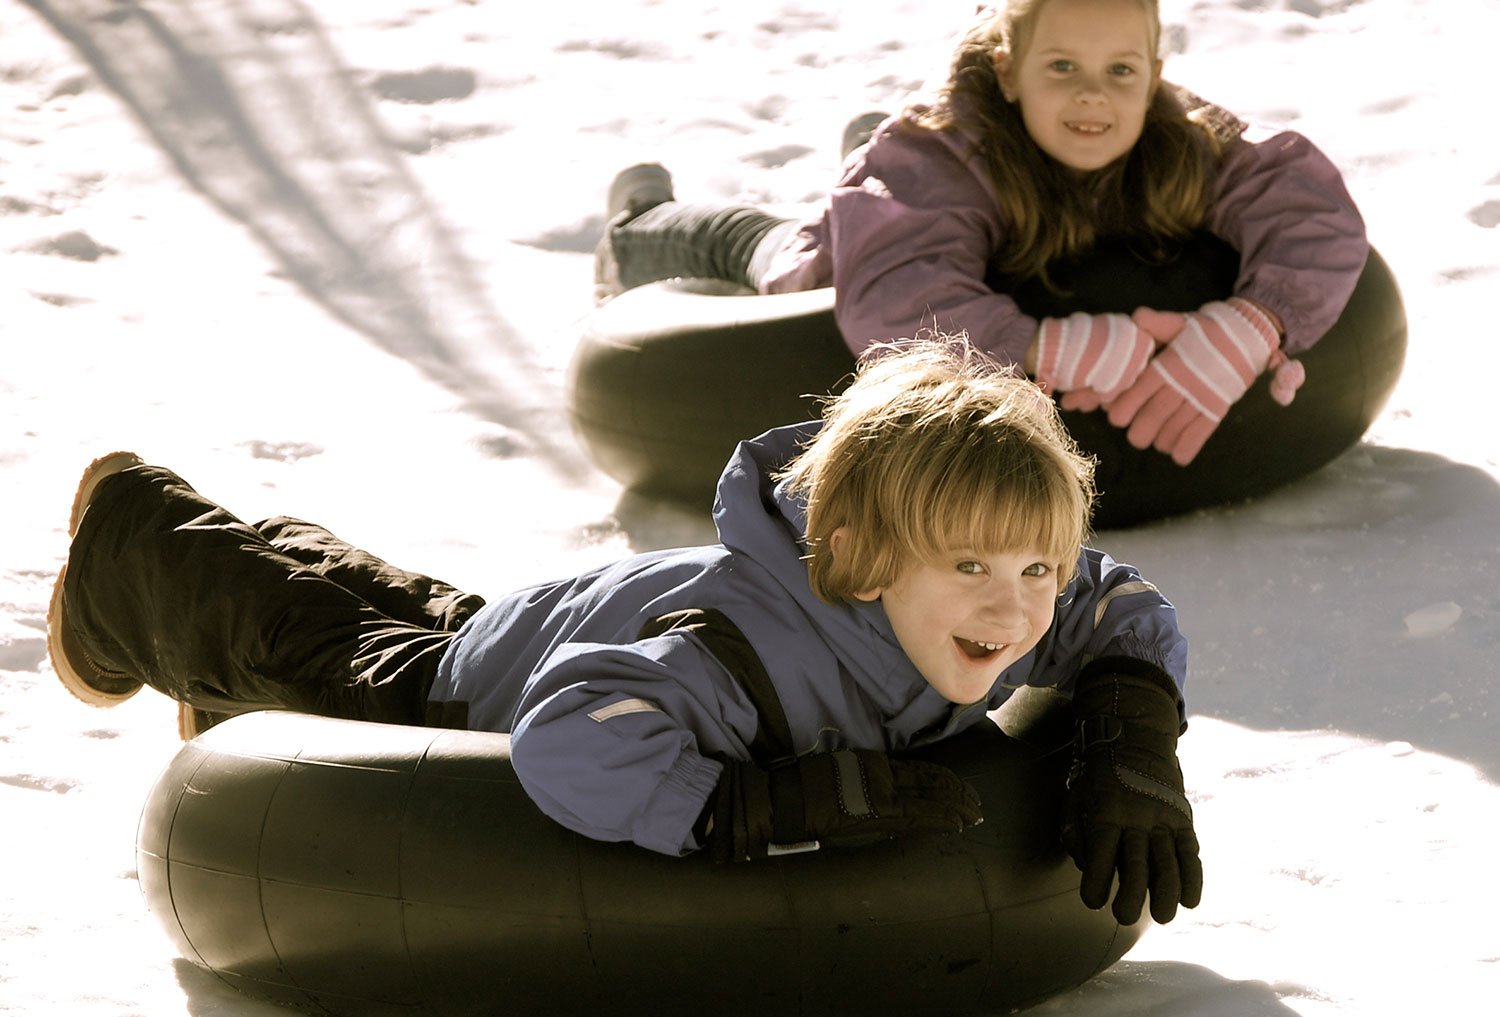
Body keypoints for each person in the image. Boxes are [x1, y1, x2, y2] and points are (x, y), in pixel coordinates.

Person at [49, 340, 1200, 925]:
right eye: (971, 567)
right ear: (858, 556)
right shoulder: (751, 655)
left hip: (563, 620)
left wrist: (1133, 728)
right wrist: (760, 806)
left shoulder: (972, 610)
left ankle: (256, 565)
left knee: (392, 607)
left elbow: (1111, 600)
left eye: (1035, 565)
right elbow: (571, 741)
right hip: (468, 699)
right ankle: (132, 536)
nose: (1013, 607)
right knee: (314, 646)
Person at [594, 0, 1368, 469]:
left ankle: (860, 147)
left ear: (1156, 72)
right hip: (851, 253)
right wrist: (1036, 350)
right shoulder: (943, 156)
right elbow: (896, 297)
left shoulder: (1178, 136)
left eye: (1121, 71)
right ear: (1007, 72)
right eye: (1061, 66)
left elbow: (1309, 208)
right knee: (771, 249)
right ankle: (640, 222)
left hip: (934, 210)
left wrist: (1255, 318)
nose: (1094, 95)